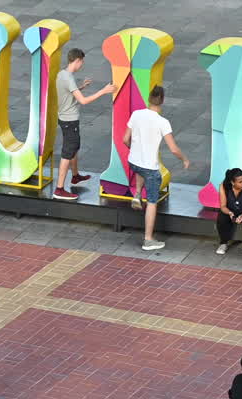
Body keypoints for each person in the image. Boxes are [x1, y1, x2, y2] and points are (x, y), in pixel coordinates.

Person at [122, 85, 190, 251]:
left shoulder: (136, 114)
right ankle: (148, 240)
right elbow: (173, 149)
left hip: (133, 162)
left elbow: (125, 139)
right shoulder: (162, 122)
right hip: (150, 169)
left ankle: (138, 194)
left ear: (149, 99)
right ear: (162, 101)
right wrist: (185, 159)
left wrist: (134, 150)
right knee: (152, 202)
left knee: (140, 168)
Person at [52, 49, 114, 201]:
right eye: (82, 62)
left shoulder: (62, 74)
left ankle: (75, 176)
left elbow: (67, 93)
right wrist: (103, 91)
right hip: (69, 120)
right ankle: (59, 189)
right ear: (77, 60)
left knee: (74, 147)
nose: (82, 65)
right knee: (68, 152)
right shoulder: (69, 78)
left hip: (65, 118)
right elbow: (83, 101)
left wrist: (81, 88)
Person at [216, 168, 242, 256]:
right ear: (232, 182)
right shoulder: (223, 186)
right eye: (240, 182)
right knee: (221, 216)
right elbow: (223, 206)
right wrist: (230, 213)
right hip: (230, 211)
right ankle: (223, 243)